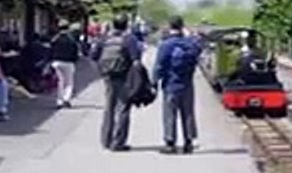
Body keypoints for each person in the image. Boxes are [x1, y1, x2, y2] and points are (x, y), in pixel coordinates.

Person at [91, 15, 142, 152]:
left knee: (109, 107)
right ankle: (118, 142)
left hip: (108, 76)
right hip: (124, 76)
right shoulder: (129, 39)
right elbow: (136, 60)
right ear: (126, 25)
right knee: (123, 108)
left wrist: (101, 70)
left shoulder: (104, 38)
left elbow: (93, 55)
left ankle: (106, 140)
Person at [153, 15, 200, 154]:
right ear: (182, 26)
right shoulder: (190, 44)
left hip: (170, 83)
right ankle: (188, 142)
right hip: (187, 83)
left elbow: (159, 65)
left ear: (169, 26)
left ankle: (170, 142)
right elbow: (199, 49)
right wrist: (189, 35)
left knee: (169, 113)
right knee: (188, 113)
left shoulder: (166, 45)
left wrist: (154, 81)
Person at [50, 19, 80, 108]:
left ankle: (59, 101)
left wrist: (51, 60)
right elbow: (75, 51)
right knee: (69, 82)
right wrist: (75, 60)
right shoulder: (72, 39)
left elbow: (51, 50)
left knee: (60, 82)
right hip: (68, 62)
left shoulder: (55, 39)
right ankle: (66, 99)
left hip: (57, 62)